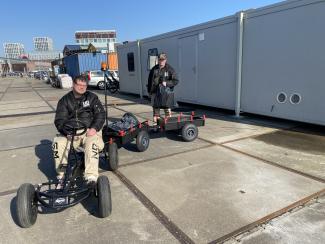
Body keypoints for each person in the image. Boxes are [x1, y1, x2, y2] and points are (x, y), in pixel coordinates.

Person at [52, 75, 105, 186]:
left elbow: (100, 114)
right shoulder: (64, 101)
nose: (81, 87)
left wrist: (94, 128)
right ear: (73, 85)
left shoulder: (92, 98)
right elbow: (59, 120)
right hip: (71, 133)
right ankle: (62, 176)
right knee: (58, 143)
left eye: (84, 85)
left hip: (90, 131)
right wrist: (67, 133)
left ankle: (91, 177)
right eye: (79, 84)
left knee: (92, 144)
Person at [147, 52, 179, 123]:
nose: (161, 61)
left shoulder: (170, 69)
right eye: (160, 59)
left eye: (163, 60)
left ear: (165, 60)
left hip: (166, 94)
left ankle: (168, 126)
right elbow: (149, 81)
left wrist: (167, 83)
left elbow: (176, 81)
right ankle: (156, 126)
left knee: (167, 112)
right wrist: (149, 92)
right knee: (156, 113)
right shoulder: (154, 69)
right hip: (155, 93)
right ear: (158, 60)